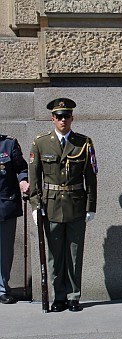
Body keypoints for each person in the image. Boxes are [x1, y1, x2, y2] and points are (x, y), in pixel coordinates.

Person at [28, 98, 98, 312]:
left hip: (76, 205)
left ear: (72, 118)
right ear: (52, 119)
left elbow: (91, 177)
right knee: (55, 254)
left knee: (74, 255)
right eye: (58, 116)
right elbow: (34, 177)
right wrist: (34, 203)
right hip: (50, 207)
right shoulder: (40, 143)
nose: (63, 120)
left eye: (66, 116)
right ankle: (59, 296)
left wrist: (91, 206)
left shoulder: (84, 142)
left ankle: (74, 296)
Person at [0, 135, 29, 304]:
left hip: (4, 204)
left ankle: (2, 288)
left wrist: (23, 181)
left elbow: (21, 168)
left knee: (4, 250)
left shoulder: (8, 144)